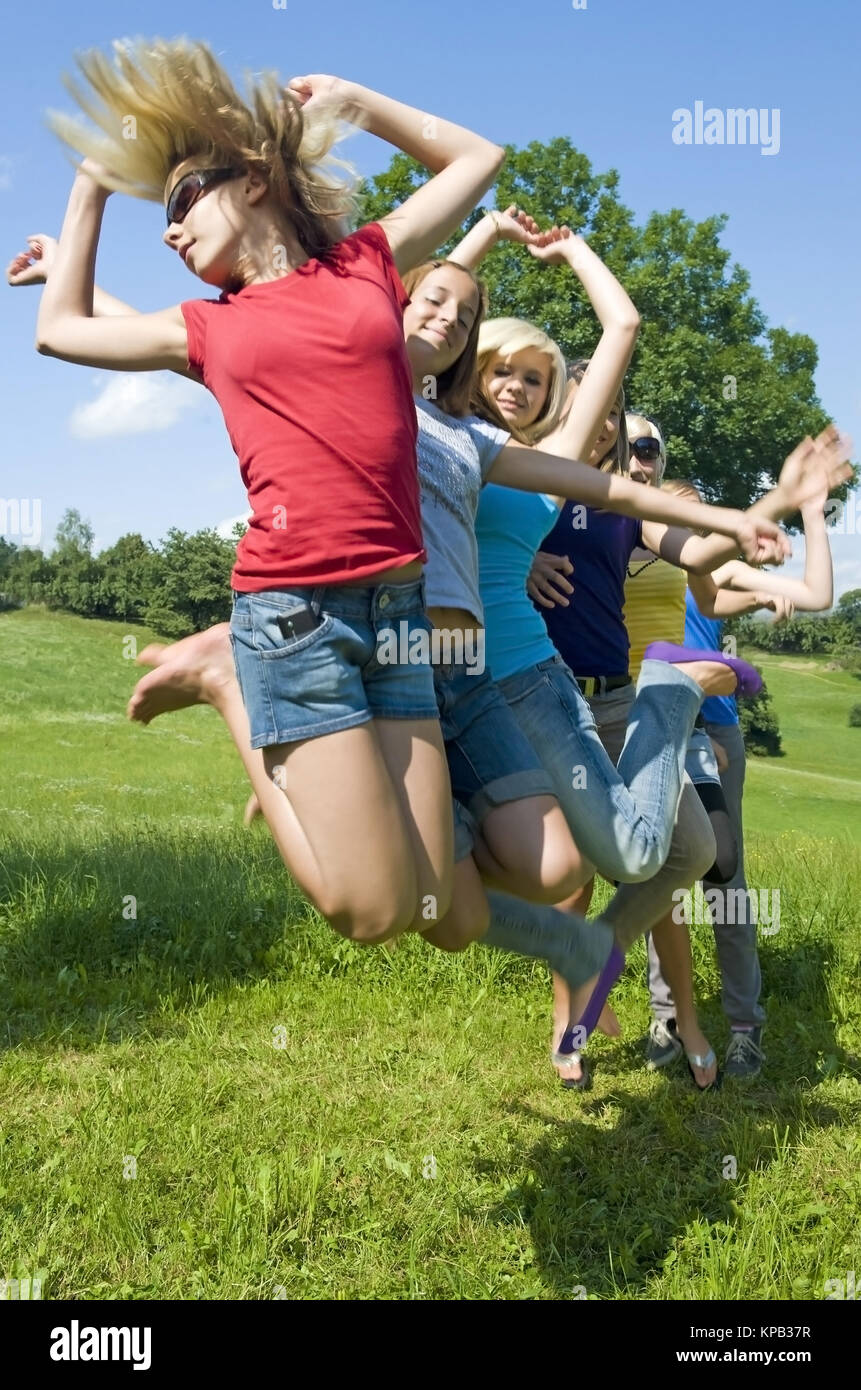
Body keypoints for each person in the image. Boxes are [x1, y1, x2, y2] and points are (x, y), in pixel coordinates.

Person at [20, 38, 512, 949]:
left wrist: (357, 99)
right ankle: (224, 681)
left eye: (178, 201)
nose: (168, 230)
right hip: (297, 616)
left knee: (429, 910)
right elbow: (61, 330)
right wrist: (91, 188)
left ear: (252, 179)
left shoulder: (367, 262)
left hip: (400, 609)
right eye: (158, 218)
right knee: (368, 913)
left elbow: (477, 159)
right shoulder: (206, 327)